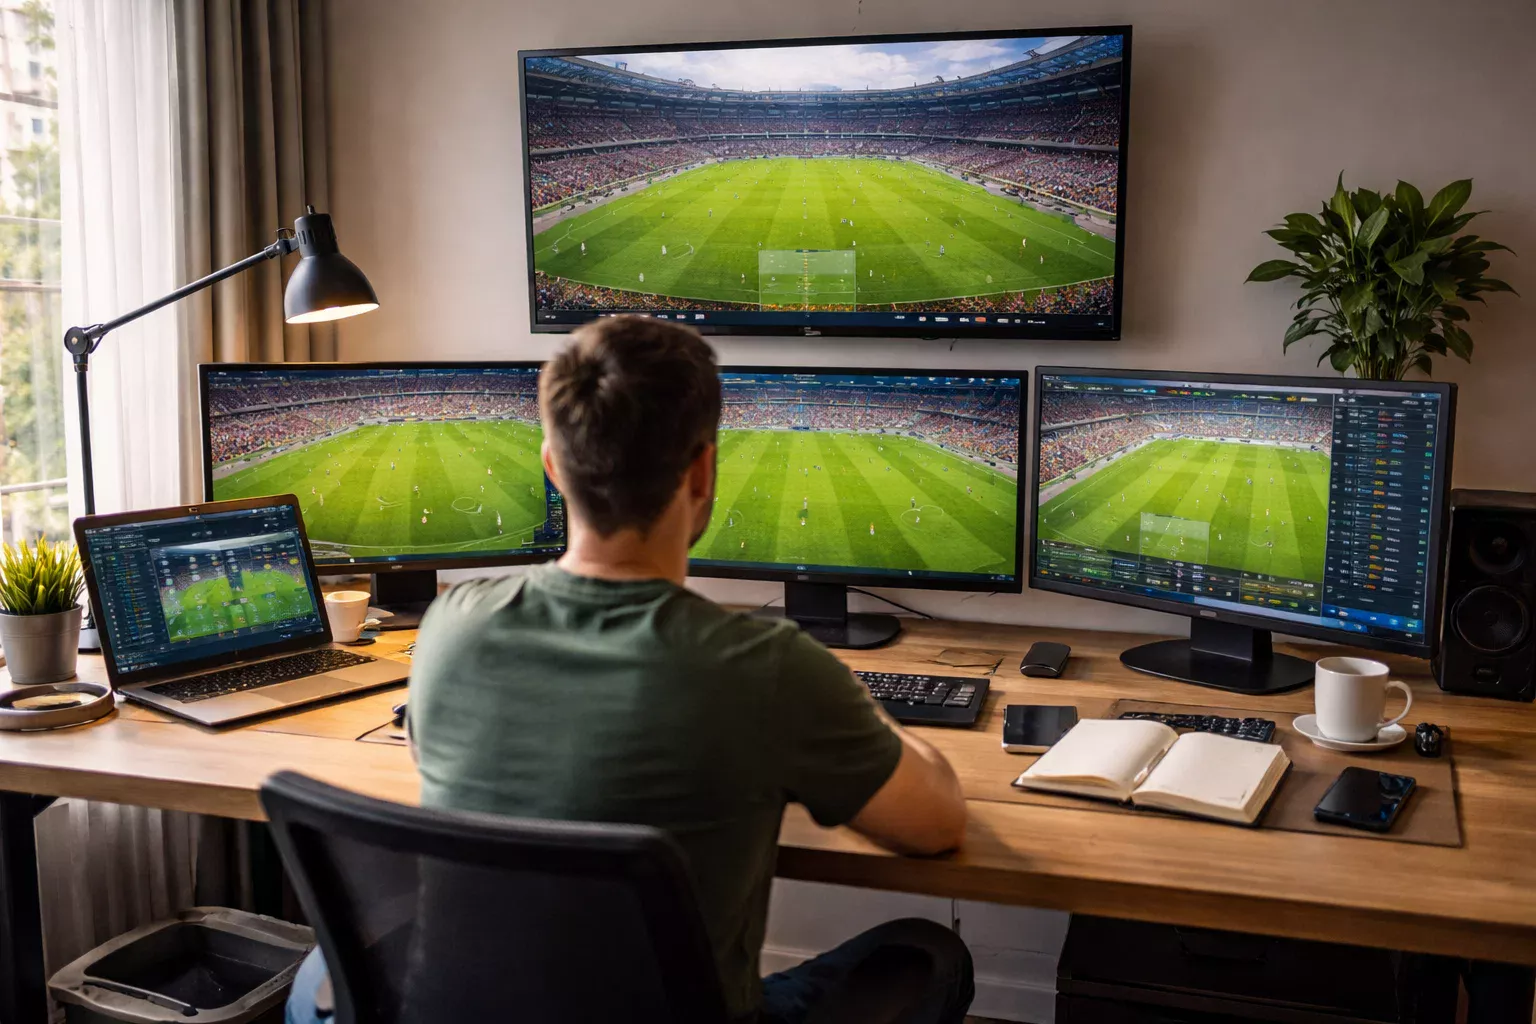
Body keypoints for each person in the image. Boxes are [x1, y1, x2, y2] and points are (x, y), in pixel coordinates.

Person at [285, 316, 973, 1024]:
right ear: (702, 473)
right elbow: (936, 826)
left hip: (468, 1008)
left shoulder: (449, 626)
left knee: (319, 975)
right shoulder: (769, 667)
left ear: (553, 466)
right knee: (931, 952)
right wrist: (848, 696)